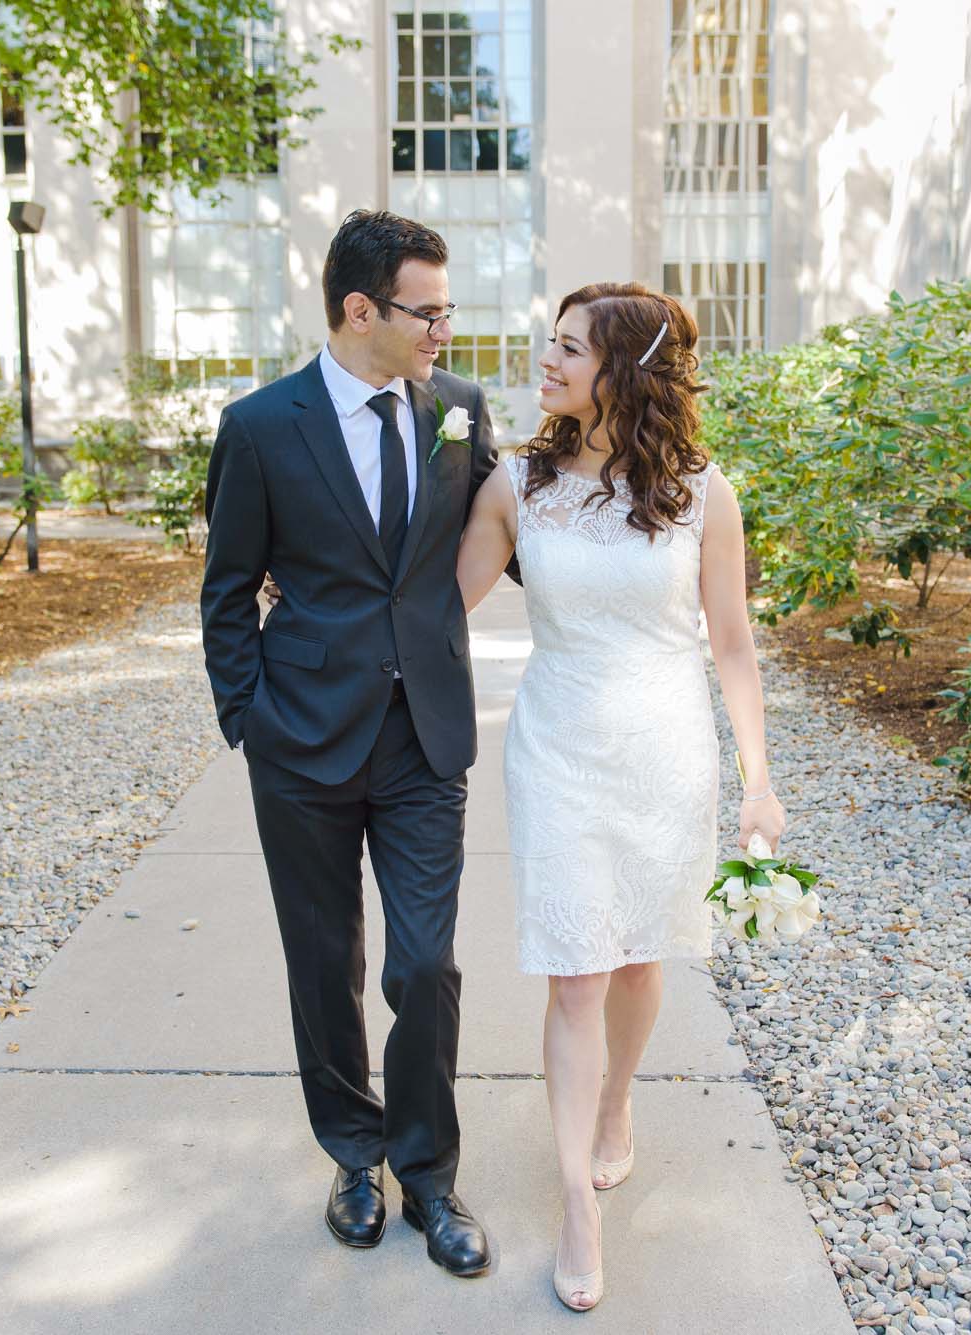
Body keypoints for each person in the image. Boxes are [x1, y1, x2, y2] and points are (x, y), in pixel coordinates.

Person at [456, 282, 786, 1311]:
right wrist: (309, 596)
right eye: (550, 343)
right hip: (555, 750)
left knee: (640, 958)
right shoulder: (516, 483)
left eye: (569, 349)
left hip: (664, 753)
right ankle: (575, 1204)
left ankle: (616, 1103)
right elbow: (436, 603)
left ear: (625, 373)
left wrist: (759, 782)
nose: (546, 361)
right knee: (574, 977)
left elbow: (731, 645)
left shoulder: (701, 493)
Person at [199, 210, 500, 1277]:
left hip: (424, 736)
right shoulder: (260, 427)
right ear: (359, 310)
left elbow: (511, 531)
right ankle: (353, 1156)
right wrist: (249, 718)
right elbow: (226, 590)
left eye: (448, 311)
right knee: (323, 965)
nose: (444, 333)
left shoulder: (459, 410)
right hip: (302, 741)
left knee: (425, 964)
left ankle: (429, 1173)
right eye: (429, 313)